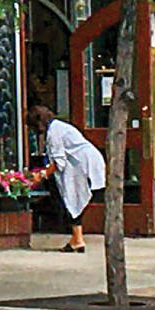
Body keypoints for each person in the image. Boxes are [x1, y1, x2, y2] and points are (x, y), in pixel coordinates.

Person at [38, 102, 106, 253]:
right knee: (74, 199)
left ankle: (77, 239)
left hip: (82, 166)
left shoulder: (53, 132)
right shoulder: (59, 126)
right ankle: (76, 239)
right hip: (83, 163)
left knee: (73, 198)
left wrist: (42, 175)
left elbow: (59, 161)